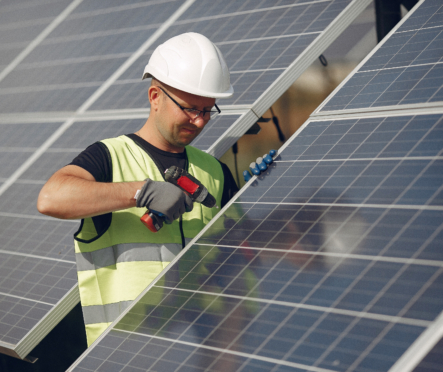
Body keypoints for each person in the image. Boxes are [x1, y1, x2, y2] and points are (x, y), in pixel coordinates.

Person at [37, 32, 239, 346]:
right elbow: (51, 198)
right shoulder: (110, 157)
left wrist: (266, 187)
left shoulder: (216, 171)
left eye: (207, 111)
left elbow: (242, 255)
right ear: (155, 96)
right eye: (189, 108)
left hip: (194, 350)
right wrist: (140, 192)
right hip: (122, 353)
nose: (199, 122)